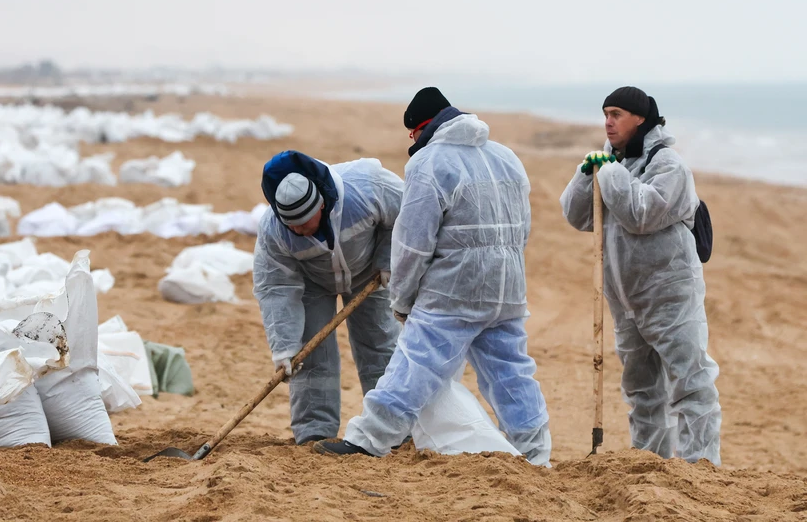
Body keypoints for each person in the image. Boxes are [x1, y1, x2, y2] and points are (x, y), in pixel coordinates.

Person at [314, 87, 552, 465]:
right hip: (507, 287)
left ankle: (369, 440)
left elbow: (413, 242)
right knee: (512, 372)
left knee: (414, 363)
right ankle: (537, 453)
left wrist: (404, 300)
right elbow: (522, 228)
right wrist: (506, 270)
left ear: (419, 129)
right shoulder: (506, 157)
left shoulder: (429, 162)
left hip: (453, 290)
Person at [559, 86, 721, 465]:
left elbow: (642, 213)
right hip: (626, 299)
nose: (608, 121)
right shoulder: (616, 163)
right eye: (605, 113)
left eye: (616, 113)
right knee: (641, 388)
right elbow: (578, 216)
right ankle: (649, 460)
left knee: (689, 381)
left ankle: (700, 464)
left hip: (669, 294)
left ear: (640, 119)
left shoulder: (669, 165)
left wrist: (610, 173)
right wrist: (588, 176)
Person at [254, 149, 404, 444]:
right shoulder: (273, 230)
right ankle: (314, 432)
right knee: (309, 356)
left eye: (304, 222)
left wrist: (388, 260)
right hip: (312, 281)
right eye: (291, 225)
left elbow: (408, 215)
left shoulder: (367, 187)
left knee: (380, 345)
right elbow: (275, 287)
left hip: (368, 273)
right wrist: (283, 347)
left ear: (320, 206)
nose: (297, 229)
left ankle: (392, 429)